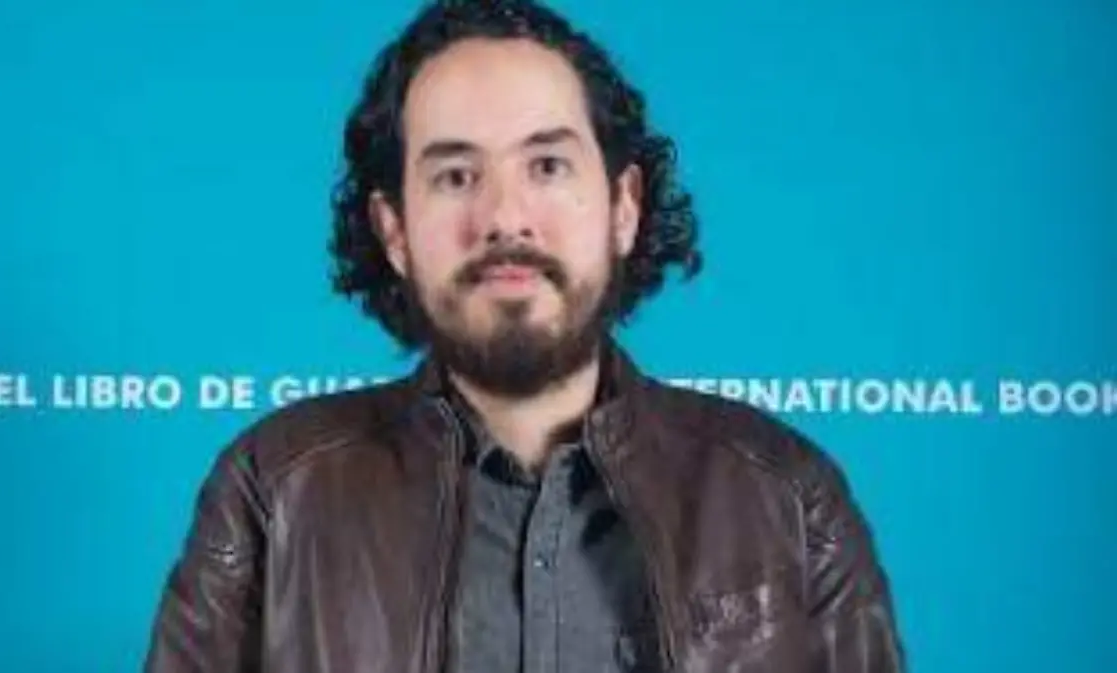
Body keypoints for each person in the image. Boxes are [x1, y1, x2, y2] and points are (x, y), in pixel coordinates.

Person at [143, 1, 906, 671]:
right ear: (394, 229)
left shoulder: (789, 496)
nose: (506, 217)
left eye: (547, 165)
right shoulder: (271, 491)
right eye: (455, 175)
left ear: (624, 205)